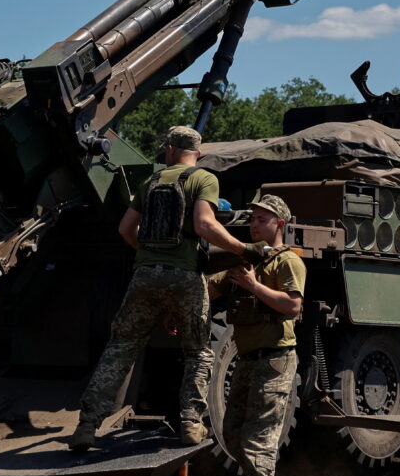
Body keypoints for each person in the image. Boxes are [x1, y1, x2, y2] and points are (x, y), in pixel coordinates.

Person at [68, 126, 268, 451]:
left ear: (170, 150)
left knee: (121, 348)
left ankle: (87, 426)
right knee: (198, 352)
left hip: (144, 275)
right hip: (186, 276)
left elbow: (125, 229)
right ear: (197, 154)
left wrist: (148, 254)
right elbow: (205, 225)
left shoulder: (150, 182)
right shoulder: (204, 179)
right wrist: (242, 250)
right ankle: (191, 424)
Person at [208, 194, 306, 476]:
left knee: (257, 445)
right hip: (247, 360)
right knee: (233, 434)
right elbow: (211, 290)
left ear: (280, 224)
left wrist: (252, 286)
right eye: (252, 219)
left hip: (275, 359)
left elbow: (292, 305)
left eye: (262, 219)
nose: (254, 225)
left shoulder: (288, 262)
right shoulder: (245, 261)